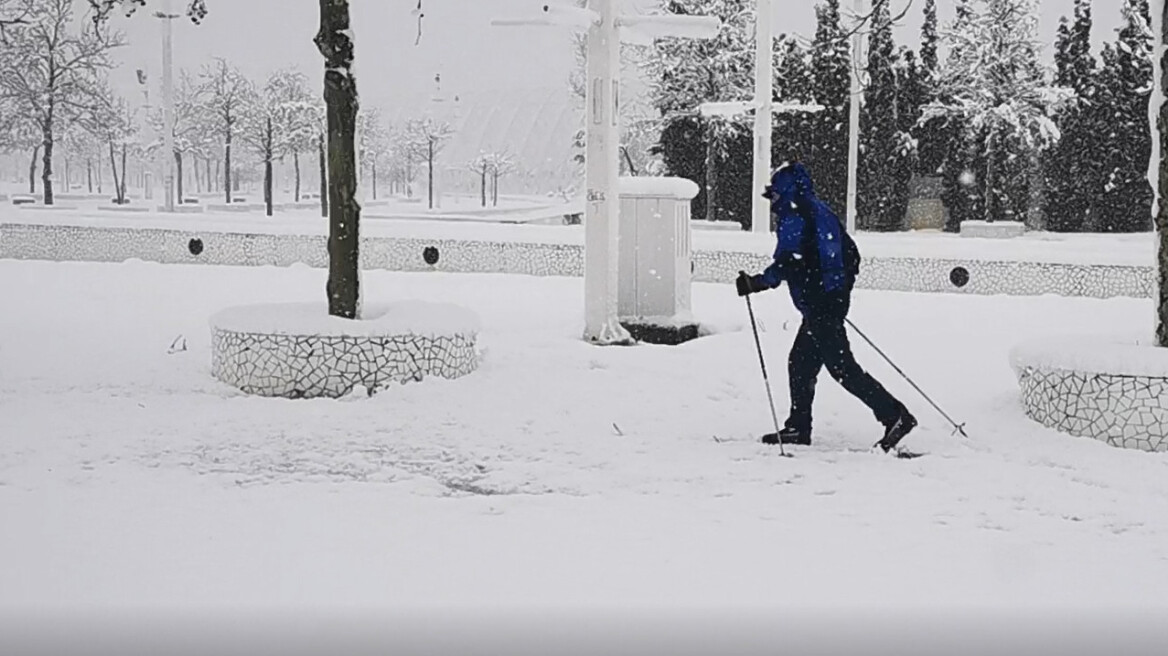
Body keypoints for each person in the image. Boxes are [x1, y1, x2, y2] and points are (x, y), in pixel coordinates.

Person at [736, 161, 916, 453]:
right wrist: (839, 289)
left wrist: (756, 283)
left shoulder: (796, 214)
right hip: (826, 301)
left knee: (843, 368)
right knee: (801, 363)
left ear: (786, 192)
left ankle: (895, 416)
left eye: (774, 195)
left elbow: (789, 262)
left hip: (821, 305)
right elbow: (850, 254)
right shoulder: (819, 211)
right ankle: (798, 426)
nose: (772, 203)